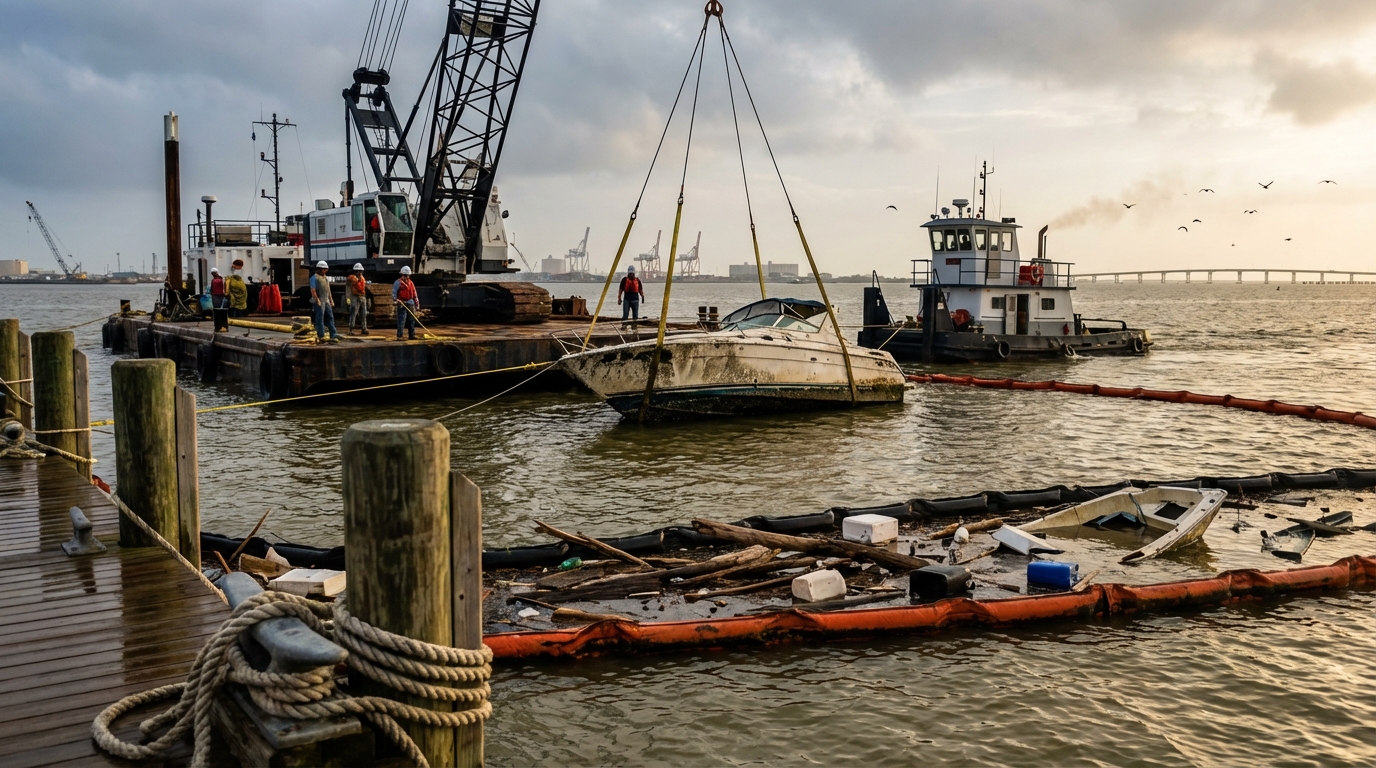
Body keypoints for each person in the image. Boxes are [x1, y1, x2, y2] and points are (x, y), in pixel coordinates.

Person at [309, 260, 339, 343]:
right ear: (320, 269)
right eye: (325, 269)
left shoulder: (325, 278)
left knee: (330, 317)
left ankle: (333, 334)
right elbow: (313, 290)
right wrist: (317, 299)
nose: (326, 271)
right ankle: (321, 335)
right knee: (320, 319)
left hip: (326, 301)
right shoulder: (314, 278)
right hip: (319, 301)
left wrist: (331, 300)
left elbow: (328, 290)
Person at [393, 265, 418, 341]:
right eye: (404, 276)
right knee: (401, 320)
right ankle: (400, 335)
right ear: (401, 275)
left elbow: (414, 294)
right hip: (402, 303)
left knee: (411, 320)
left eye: (407, 276)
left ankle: (412, 335)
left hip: (410, 302)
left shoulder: (411, 283)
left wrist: (417, 304)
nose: (406, 277)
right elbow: (394, 293)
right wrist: (396, 300)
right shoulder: (398, 282)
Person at [346, 263, 369, 335]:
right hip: (355, 297)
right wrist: (348, 297)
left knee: (363, 314)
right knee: (353, 313)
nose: (360, 272)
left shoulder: (362, 278)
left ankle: (364, 328)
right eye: (359, 271)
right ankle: (351, 329)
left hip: (362, 297)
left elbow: (363, 288)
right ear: (355, 271)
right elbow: (348, 287)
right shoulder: (352, 278)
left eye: (361, 271)